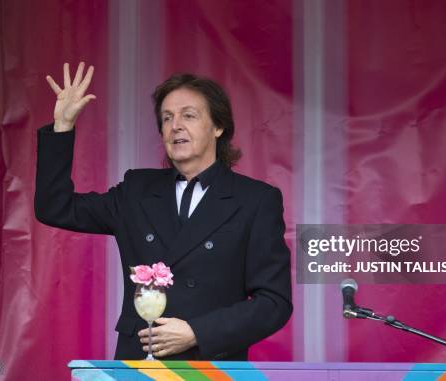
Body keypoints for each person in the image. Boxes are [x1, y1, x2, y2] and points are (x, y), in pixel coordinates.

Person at [35, 62, 293, 360]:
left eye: (189, 115)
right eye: (167, 117)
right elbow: (55, 208)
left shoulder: (255, 200)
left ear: (218, 127)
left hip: (211, 366)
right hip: (141, 362)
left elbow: (274, 302)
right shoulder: (137, 190)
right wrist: (62, 128)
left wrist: (197, 332)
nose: (175, 126)